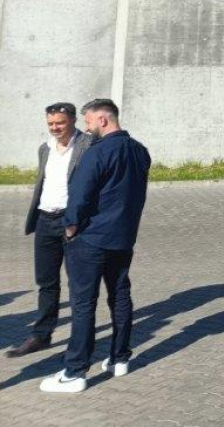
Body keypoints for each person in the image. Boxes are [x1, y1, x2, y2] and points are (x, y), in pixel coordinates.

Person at [40, 99, 152, 394]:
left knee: (83, 303)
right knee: (120, 295)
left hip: (91, 239)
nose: (87, 129)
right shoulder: (140, 151)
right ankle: (119, 358)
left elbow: (80, 195)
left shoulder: (97, 152)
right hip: (123, 238)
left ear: (103, 120)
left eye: (89, 122)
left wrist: (70, 227)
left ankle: (75, 372)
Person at [5, 103, 94, 359]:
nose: (55, 128)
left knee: (77, 283)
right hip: (45, 220)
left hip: (73, 222)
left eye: (60, 123)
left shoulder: (88, 145)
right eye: (51, 123)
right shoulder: (45, 148)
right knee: (46, 282)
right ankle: (42, 335)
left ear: (73, 120)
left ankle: (79, 338)